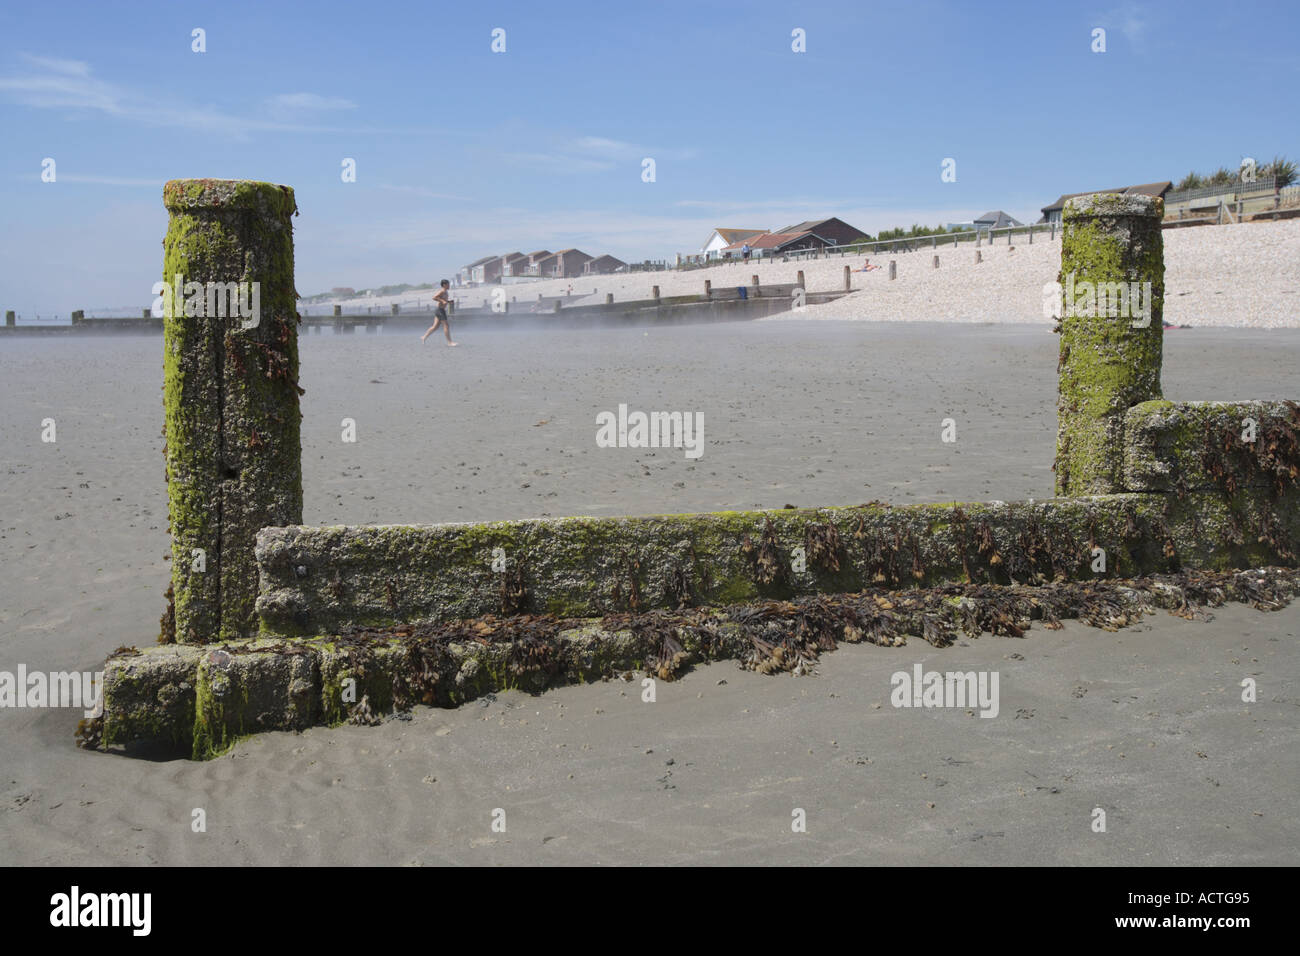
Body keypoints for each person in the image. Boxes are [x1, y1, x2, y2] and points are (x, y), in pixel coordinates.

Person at [421, 279, 458, 346]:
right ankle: (449, 342)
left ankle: (424, 337)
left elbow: (444, 300)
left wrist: (448, 302)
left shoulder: (446, 292)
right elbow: (434, 297)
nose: (449, 285)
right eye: (448, 284)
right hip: (440, 310)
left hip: (440, 310)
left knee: (435, 327)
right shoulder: (442, 291)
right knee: (446, 325)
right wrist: (442, 301)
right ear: (444, 285)